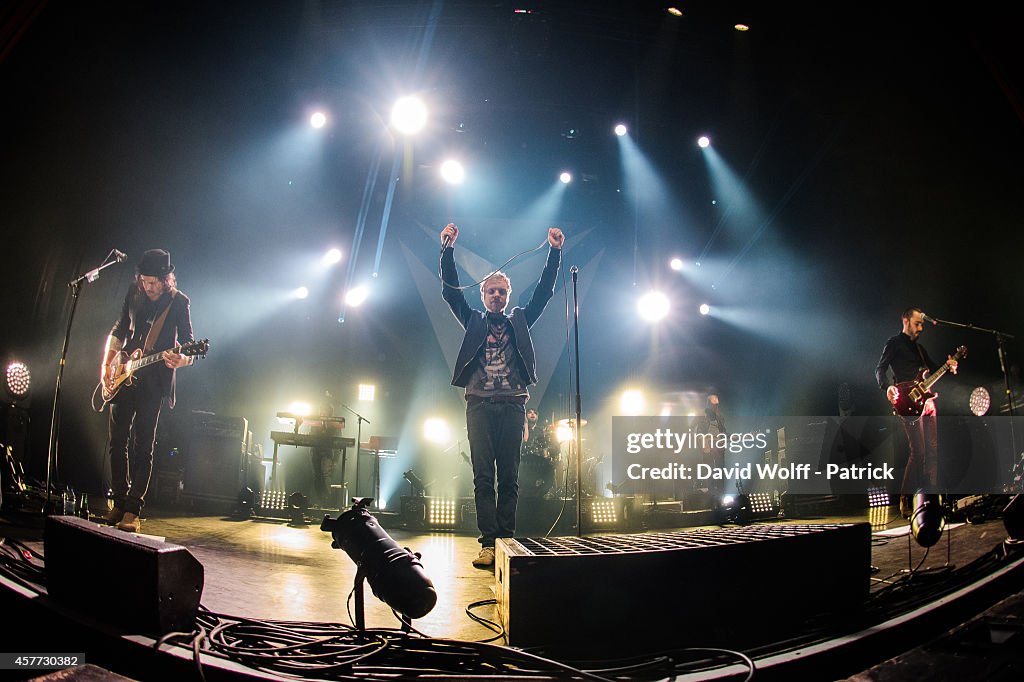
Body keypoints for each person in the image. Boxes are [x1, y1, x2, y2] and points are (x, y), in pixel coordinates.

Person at [440, 222, 563, 567]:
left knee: (509, 477)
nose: (496, 296)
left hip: (512, 407)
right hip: (479, 406)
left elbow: (543, 294)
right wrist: (446, 249)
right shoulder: (474, 319)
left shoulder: (520, 320)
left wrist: (554, 252)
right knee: (483, 476)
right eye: (491, 291)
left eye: (502, 292)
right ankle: (488, 543)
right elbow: (450, 291)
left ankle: (506, 540)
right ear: (483, 295)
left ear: (508, 296)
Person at [100, 249, 194, 532]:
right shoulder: (134, 292)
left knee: (144, 445)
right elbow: (119, 328)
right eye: (144, 281)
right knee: (117, 441)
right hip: (124, 371)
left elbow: (189, 343)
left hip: (154, 379)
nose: (148, 287)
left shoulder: (178, 302)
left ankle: (133, 509)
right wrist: (107, 363)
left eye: (153, 282)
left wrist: (183, 359)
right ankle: (118, 501)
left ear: (166, 279)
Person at [874, 307, 957, 513]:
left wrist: (950, 365)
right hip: (907, 401)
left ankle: (932, 496)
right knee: (918, 451)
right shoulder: (893, 343)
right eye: (917, 323)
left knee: (933, 451)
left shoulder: (920, 349)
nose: (921, 328)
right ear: (905, 321)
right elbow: (880, 369)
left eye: (922, 324)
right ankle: (905, 496)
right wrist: (887, 387)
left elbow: (935, 370)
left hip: (928, 403)